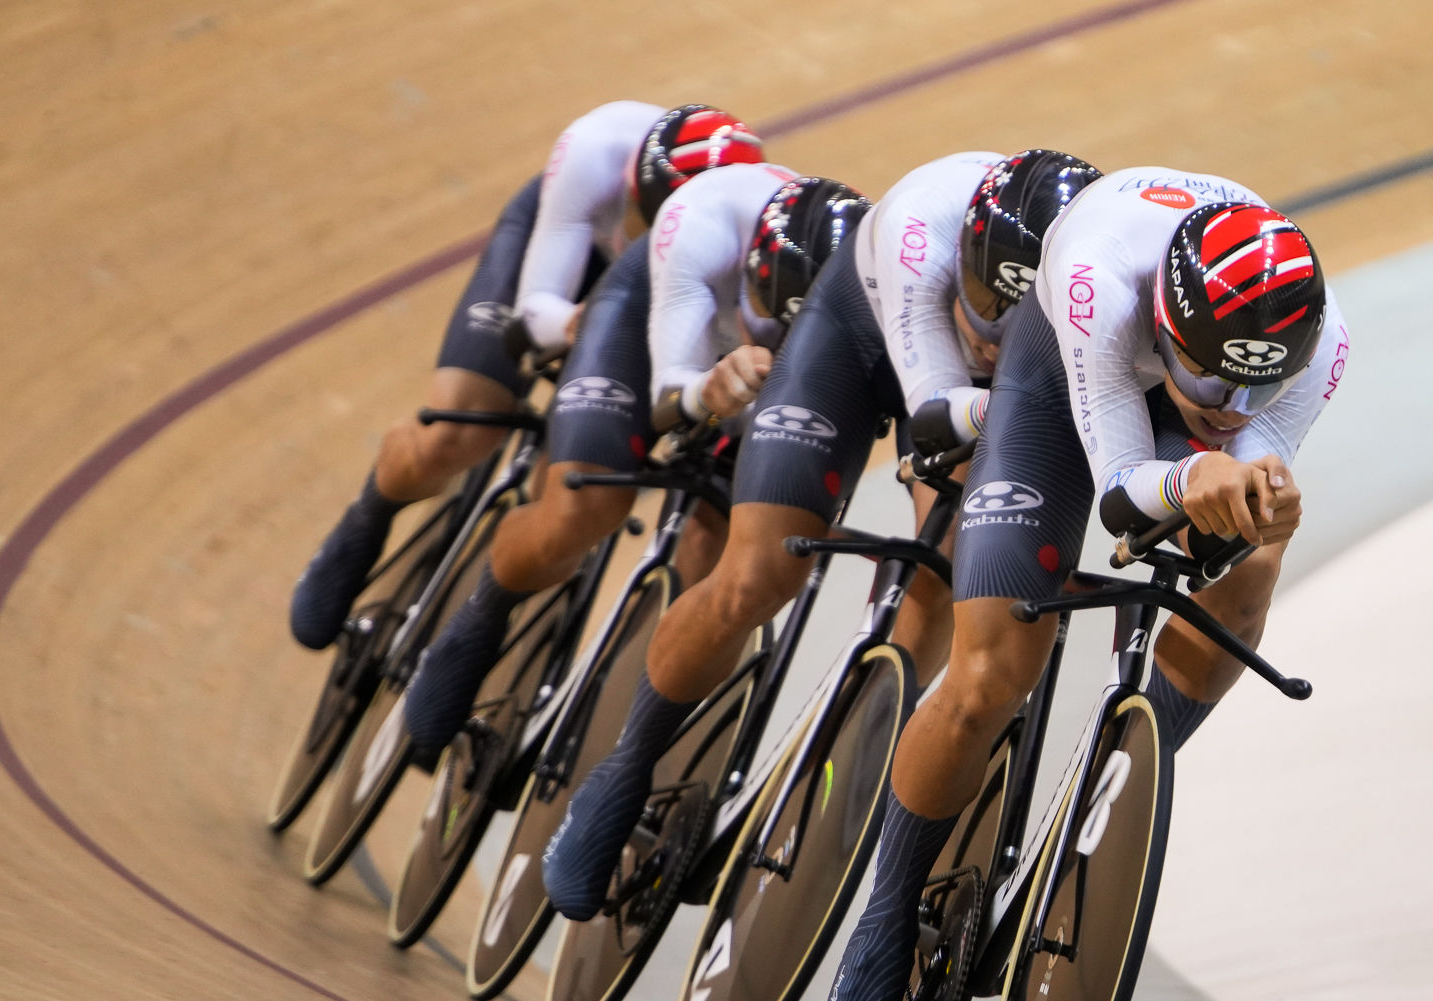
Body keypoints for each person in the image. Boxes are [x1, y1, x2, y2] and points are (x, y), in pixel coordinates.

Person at [819, 169, 1353, 1001]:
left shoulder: (1318, 338)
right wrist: (1194, 477)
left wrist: (1256, 488)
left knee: (1255, 555)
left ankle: (1126, 772)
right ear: (1168, 324)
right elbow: (1119, 491)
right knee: (990, 673)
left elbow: (1247, 461)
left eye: (1250, 390)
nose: (1225, 404)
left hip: (1166, 396)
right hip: (1057, 387)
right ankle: (885, 915)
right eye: (1205, 373)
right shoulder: (1100, 280)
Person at [537, 149, 1101, 924]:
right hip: (868, 340)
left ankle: (866, 732)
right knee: (758, 575)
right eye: (987, 302)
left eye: (1022, 316)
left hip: (985, 396)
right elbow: (934, 410)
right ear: (965, 252)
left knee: (951, 572)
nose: (999, 335)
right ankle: (625, 769)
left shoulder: (1089, 288)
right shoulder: (917, 228)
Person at [400, 166, 874, 760]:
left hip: (763, 383)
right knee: (585, 506)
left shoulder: (869, 298)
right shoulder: (704, 225)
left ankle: (641, 737)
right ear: (749, 265)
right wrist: (708, 395)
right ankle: (480, 616)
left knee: (733, 548)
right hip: (650, 323)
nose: (766, 327)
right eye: (761, 307)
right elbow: (667, 395)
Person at [286, 102, 764, 650]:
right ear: (631, 183)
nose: (654, 246)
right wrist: (580, 322)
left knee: (573, 510)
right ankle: (368, 517)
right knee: (456, 433)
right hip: (571, 266)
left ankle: (498, 626)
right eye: (646, 221)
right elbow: (533, 316)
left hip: (666, 308)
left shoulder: (743, 247)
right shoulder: (596, 150)